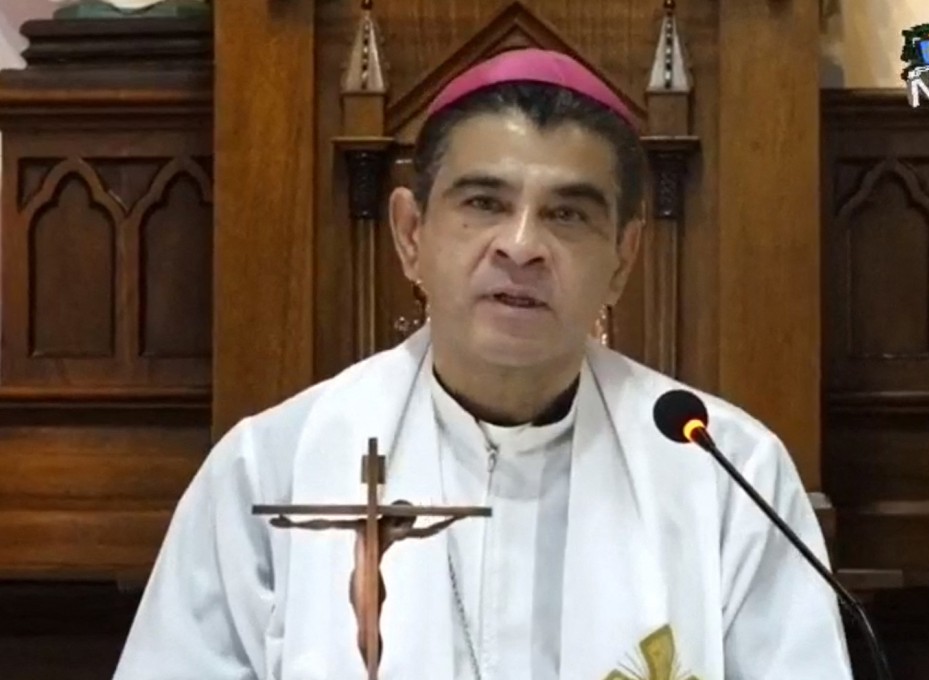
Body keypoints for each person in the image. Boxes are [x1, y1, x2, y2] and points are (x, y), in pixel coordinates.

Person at [112, 48, 853, 680]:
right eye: (483, 202)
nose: (522, 246)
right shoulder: (271, 468)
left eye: (568, 213)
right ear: (410, 234)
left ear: (623, 259)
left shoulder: (725, 476)